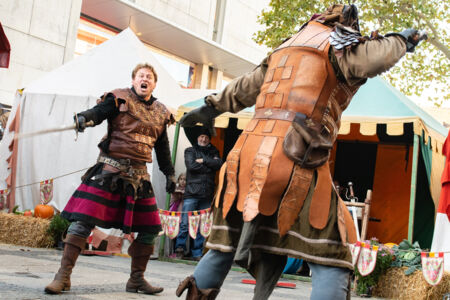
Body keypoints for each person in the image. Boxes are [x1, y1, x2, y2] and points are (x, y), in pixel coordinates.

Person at [175, 4, 426, 300]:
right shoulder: (340, 44)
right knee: (331, 251)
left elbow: (245, 86)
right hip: (296, 158)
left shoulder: (285, 49)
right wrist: (402, 40)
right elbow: (376, 58)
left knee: (224, 245)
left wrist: (211, 105)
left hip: (246, 155)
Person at [44, 63, 177, 295]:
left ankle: (137, 279)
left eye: (149, 77)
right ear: (134, 80)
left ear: (154, 84)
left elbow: (163, 148)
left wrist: (170, 173)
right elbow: (99, 113)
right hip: (110, 172)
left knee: (149, 229)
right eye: (140, 76)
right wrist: (85, 117)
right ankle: (62, 276)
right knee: (82, 221)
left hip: (139, 178)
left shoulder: (161, 112)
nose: (144, 79)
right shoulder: (118, 98)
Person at [175, 127, 223, 260]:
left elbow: (219, 164)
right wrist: (209, 165)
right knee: (185, 222)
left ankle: (197, 253)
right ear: (197, 138)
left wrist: (204, 161)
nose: (204, 139)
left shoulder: (214, 151)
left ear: (209, 139)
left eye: (206, 137)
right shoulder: (190, 151)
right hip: (191, 192)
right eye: (201, 137)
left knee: (202, 225)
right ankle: (180, 249)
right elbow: (191, 166)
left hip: (206, 193)